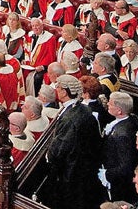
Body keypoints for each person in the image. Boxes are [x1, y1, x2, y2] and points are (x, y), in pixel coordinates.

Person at [42, 74, 102, 209]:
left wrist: (49, 156)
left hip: (71, 172)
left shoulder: (70, 118)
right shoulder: (83, 109)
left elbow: (61, 148)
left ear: (64, 92)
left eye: (58, 87)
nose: (56, 90)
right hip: (82, 167)